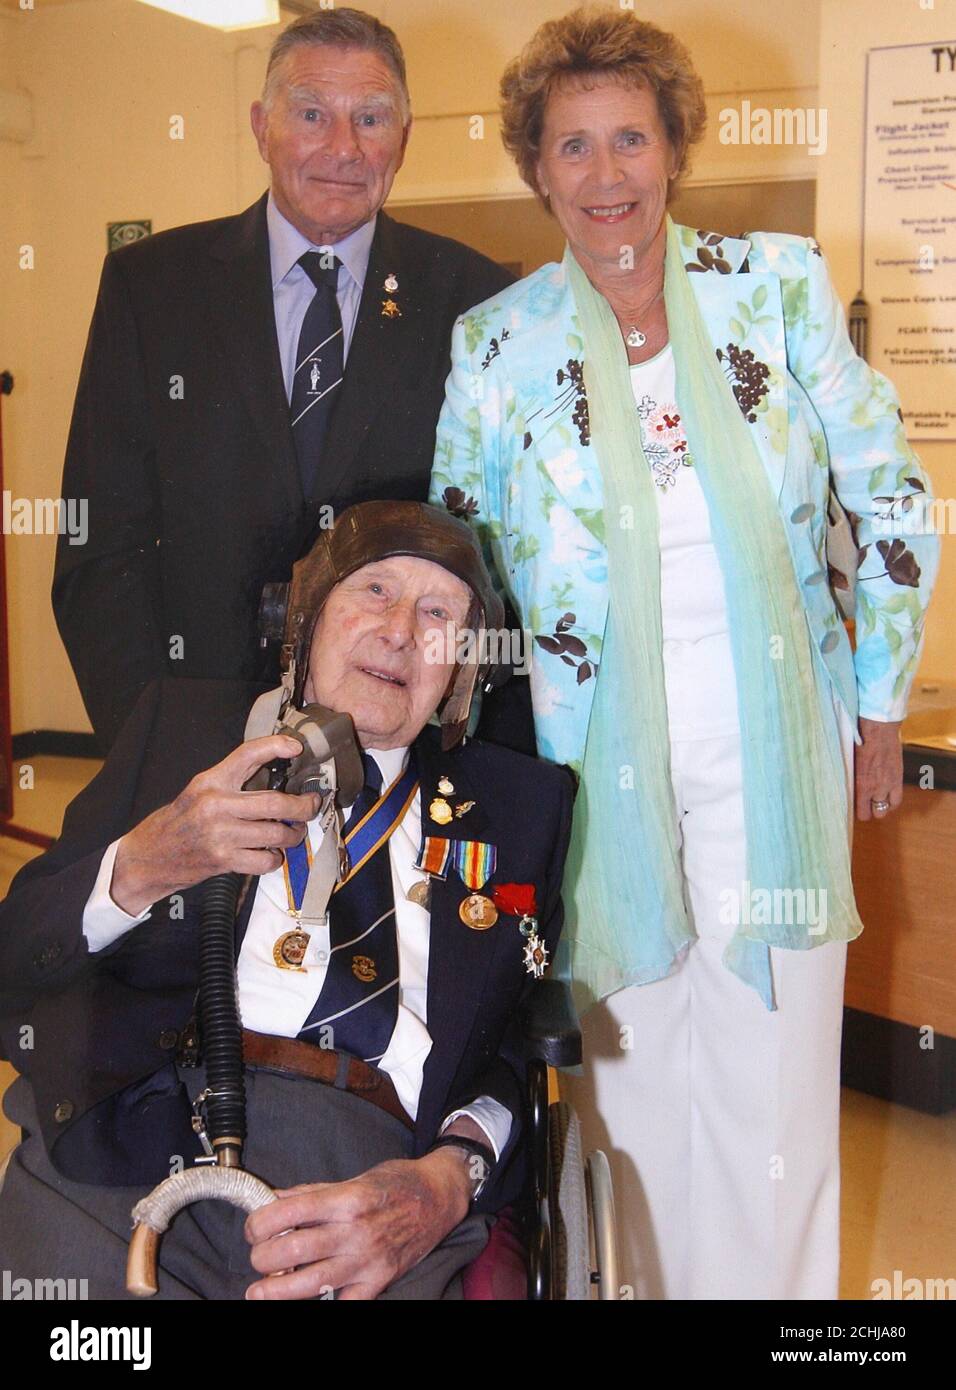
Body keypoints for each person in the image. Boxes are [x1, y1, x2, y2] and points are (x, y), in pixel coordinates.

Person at [430, 6, 939, 1300]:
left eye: (631, 140)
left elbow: (888, 493)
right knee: (635, 1082)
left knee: (775, 1082)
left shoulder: (775, 284)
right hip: (594, 764)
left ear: (676, 149)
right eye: (574, 147)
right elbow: (459, 574)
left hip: (780, 740)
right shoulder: (495, 348)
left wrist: (880, 704)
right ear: (537, 168)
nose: (607, 176)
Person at [0, 502, 573, 1300]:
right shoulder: (180, 732)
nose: (401, 630)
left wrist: (446, 1179)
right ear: (302, 619)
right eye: (373, 590)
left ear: (464, 672)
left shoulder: (520, 809)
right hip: (132, 1141)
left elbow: (514, 1043)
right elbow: (16, 957)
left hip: (368, 1188)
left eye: (439, 613)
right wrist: (146, 863)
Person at [53, 8, 519, 752]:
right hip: (194, 734)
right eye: (311, 113)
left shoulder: (474, 298)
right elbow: (100, 546)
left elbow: (495, 566)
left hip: (396, 749)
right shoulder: (151, 289)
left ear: (404, 136)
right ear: (260, 124)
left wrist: (446, 745)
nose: (342, 148)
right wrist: (152, 743)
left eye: (370, 118)